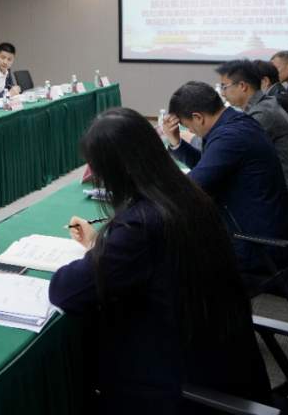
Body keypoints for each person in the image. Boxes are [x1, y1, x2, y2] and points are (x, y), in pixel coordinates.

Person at [49, 108, 271, 413]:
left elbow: (65, 291)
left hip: (177, 389)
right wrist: (98, 243)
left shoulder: (141, 225)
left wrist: (99, 250)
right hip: (225, 366)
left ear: (122, 168)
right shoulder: (186, 194)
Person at [162, 81, 288, 270]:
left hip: (258, 244)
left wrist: (154, 185)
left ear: (198, 117)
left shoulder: (231, 137)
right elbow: (209, 165)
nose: (190, 131)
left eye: (187, 126)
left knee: (173, 250)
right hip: (264, 227)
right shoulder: (237, 122)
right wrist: (176, 142)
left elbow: (191, 187)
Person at [216, 60, 288, 207]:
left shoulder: (262, 114)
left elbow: (232, 149)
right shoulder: (264, 104)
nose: (223, 93)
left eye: (225, 87)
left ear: (242, 86)